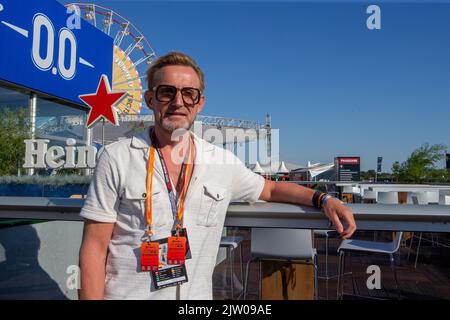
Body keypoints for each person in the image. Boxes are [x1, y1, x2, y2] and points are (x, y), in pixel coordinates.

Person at [78, 52, 356, 300]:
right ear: (150, 99)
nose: (178, 102)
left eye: (189, 94)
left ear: (200, 103)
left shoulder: (221, 161)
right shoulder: (116, 157)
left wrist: (324, 200)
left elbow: (270, 190)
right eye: (167, 92)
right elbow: (94, 248)